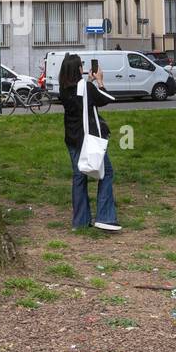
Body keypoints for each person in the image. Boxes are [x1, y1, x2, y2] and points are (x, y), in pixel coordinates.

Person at [59, 54, 120, 232]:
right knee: (106, 173)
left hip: (72, 139)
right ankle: (106, 217)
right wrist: (99, 81)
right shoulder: (86, 88)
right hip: (89, 139)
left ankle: (80, 221)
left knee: (79, 177)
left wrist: (88, 81)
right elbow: (108, 98)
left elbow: (80, 97)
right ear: (78, 69)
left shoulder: (64, 89)